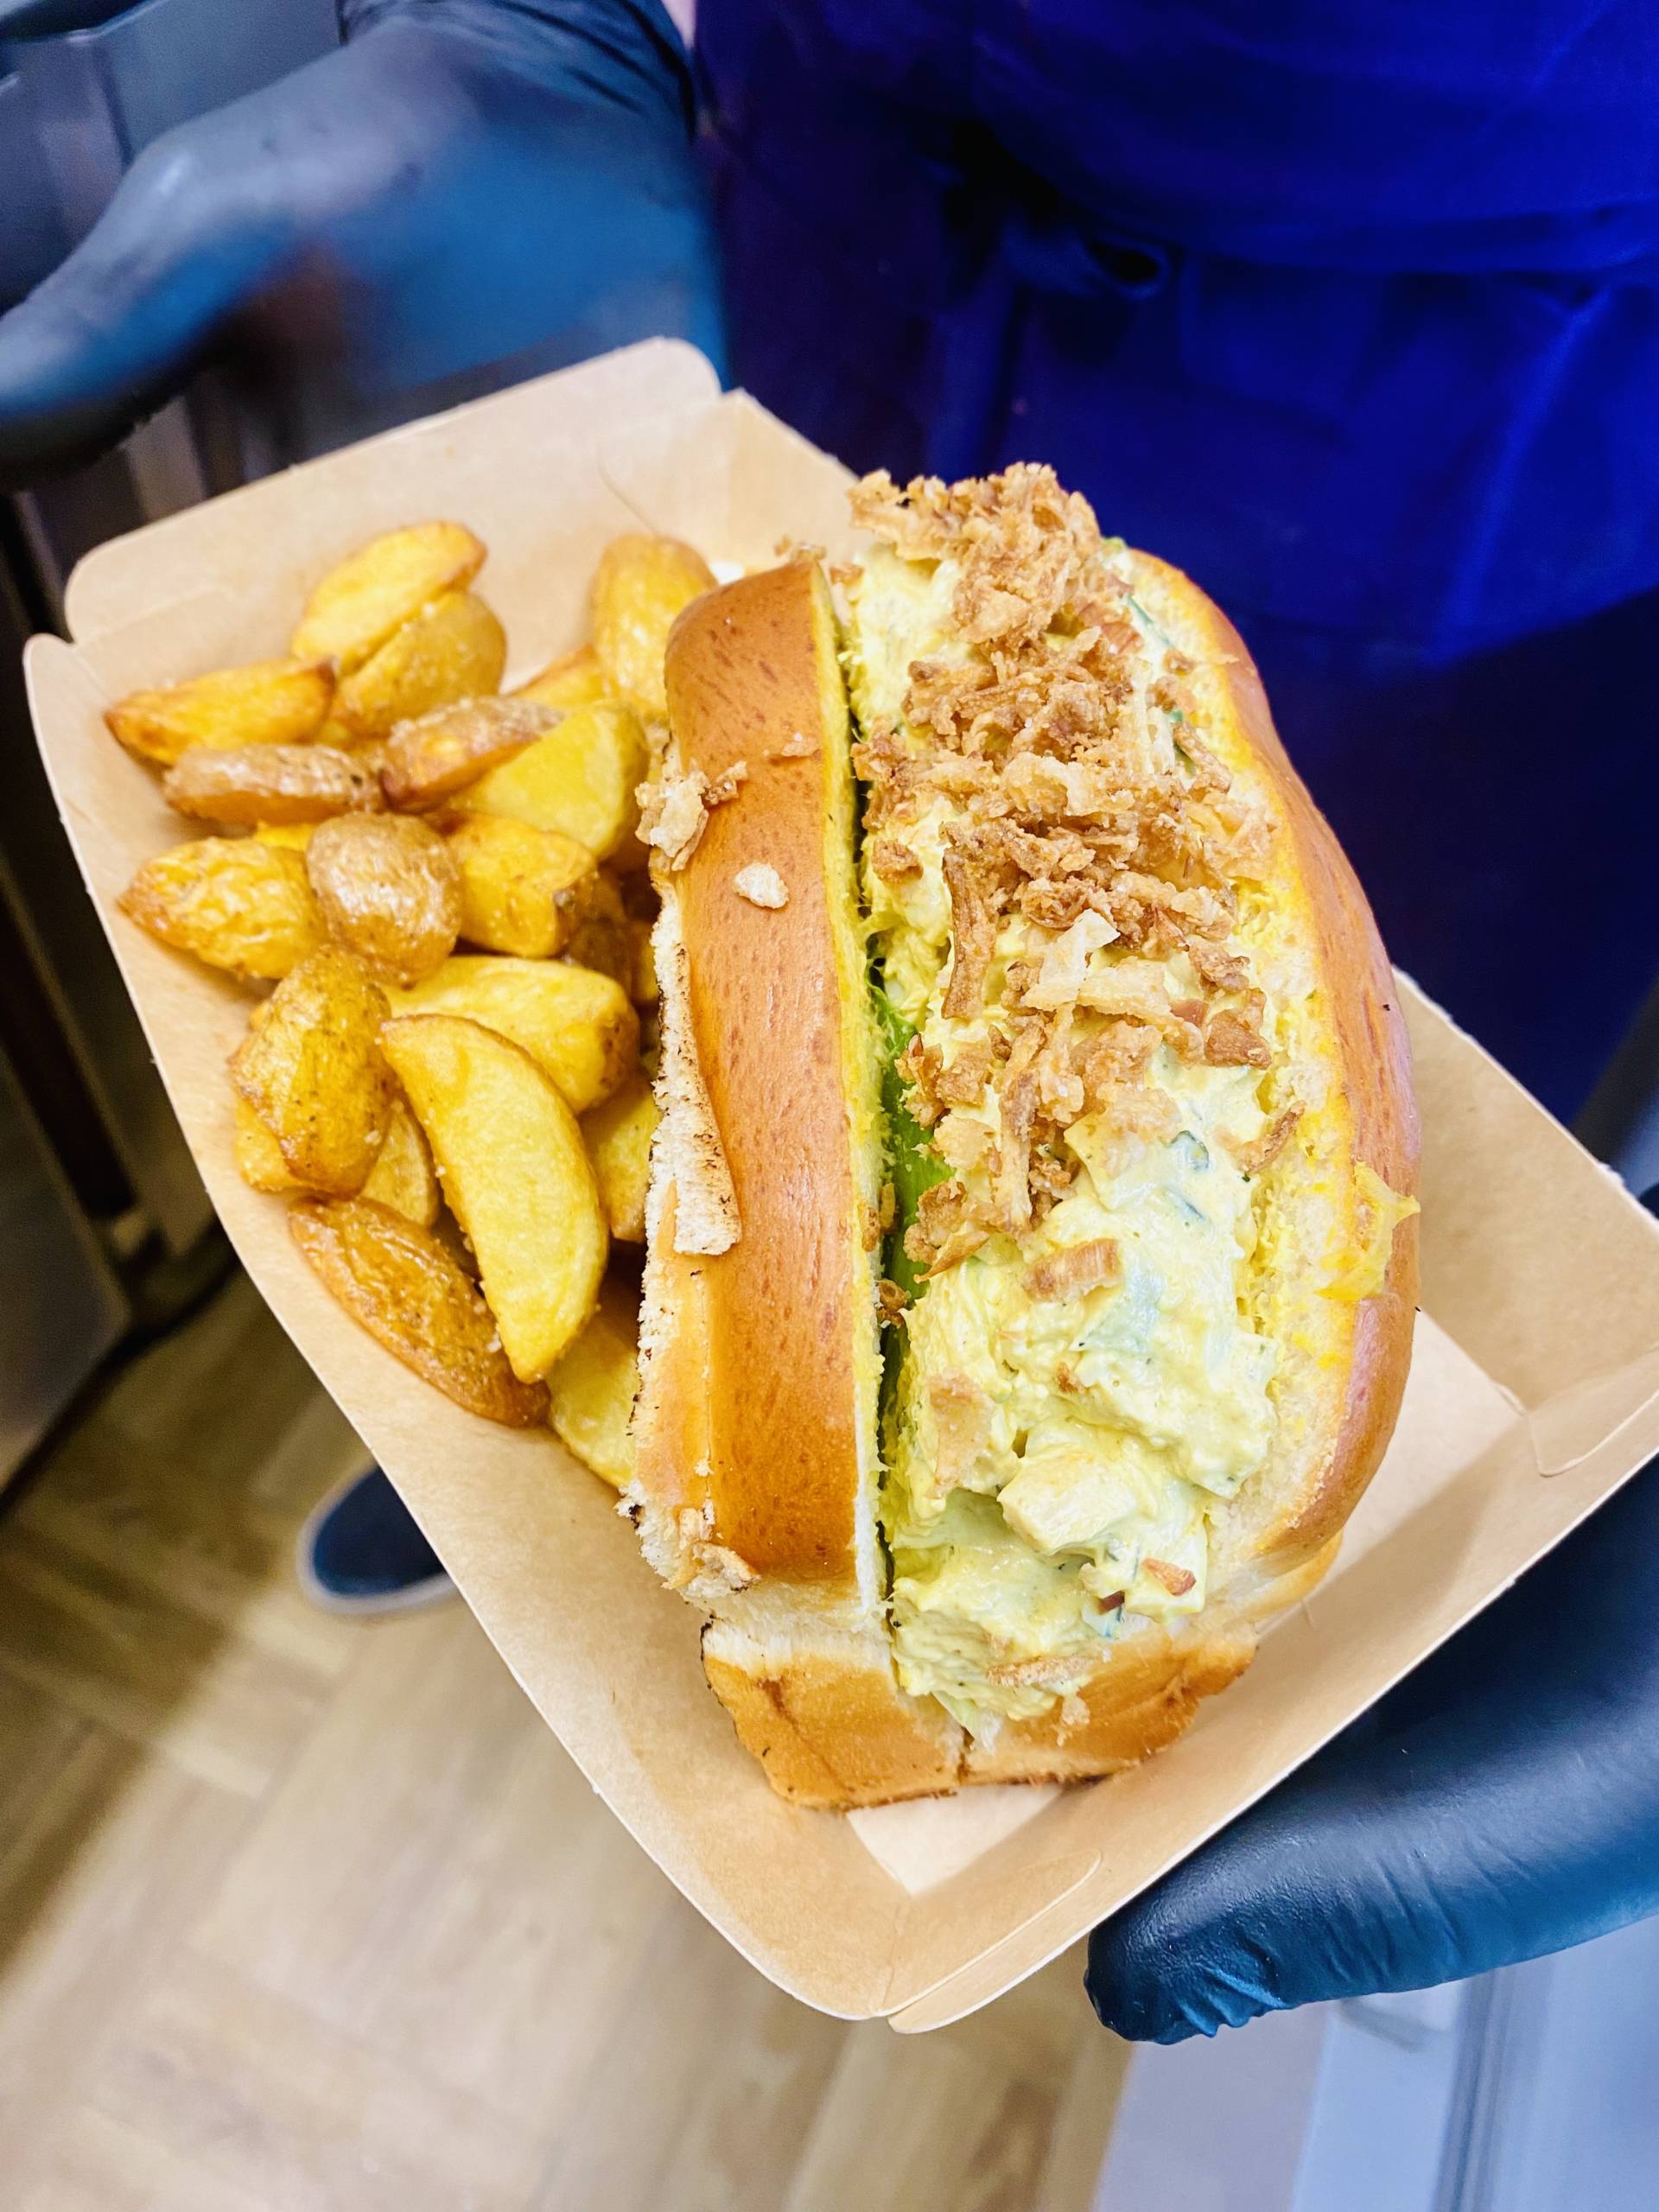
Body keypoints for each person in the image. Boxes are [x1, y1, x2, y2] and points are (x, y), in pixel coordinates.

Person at [4, 0, 1658, 2041]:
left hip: (1466, 444)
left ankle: (588, 1430)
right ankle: (520, 1470)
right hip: (830, 191)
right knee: (613, 1331)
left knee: (1443, 1017)